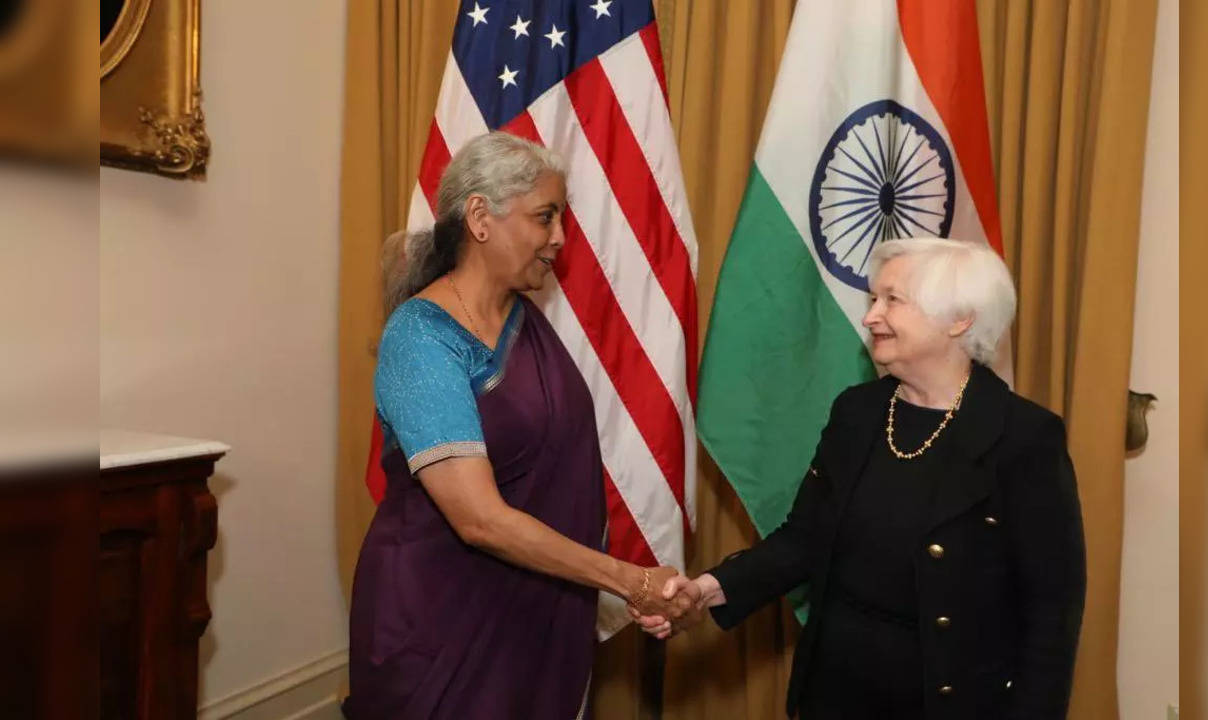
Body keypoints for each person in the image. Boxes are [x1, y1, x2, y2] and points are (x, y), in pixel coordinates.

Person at [637, 237, 1086, 720]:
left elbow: (1050, 616)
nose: (871, 317)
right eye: (874, 299)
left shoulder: (1023, 438)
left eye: (892, 300)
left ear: (960, 319)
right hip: (835, 693)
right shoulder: (859, 411)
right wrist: (707, 589)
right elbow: (804, 540)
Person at [344, 131, 683, 720]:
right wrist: (630, 580)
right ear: (480, 216)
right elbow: (477, 519)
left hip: (533, 608)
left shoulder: (525, 323)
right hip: (435, 622)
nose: (560, 238)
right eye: (545, 217)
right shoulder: (421, 336)